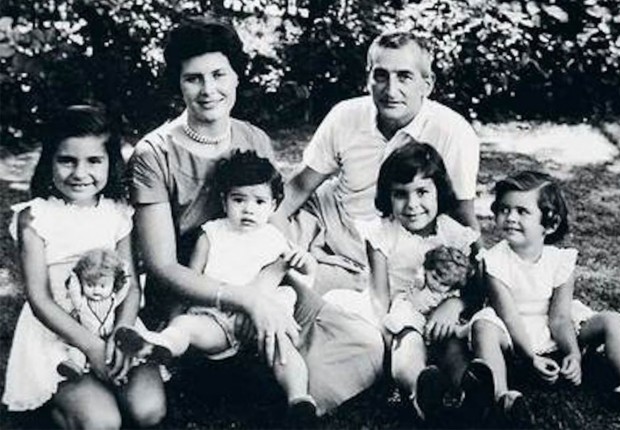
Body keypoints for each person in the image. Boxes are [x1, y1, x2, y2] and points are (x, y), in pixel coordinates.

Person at [127, 17, 383, 415]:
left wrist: (278, 277)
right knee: (219, 360)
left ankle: (290, 391)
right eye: (193, 78)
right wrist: (246, 299)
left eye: (219, 74)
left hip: (262, 277)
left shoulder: (253, 138)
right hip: (196, 294)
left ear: (236, 76)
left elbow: (271, 225)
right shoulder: (154, 153)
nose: (209, 90)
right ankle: (230, 369)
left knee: (362, 343)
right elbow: (162, 267)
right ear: (177, 83)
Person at [273, 30, 480, 295]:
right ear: (368, 79)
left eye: (404, 76)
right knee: (259, 246)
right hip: (328, 224)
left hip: (393, 251)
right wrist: (280, 240)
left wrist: (475, 290)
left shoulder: (453, 132)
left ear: (427, 84)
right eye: (381, 76)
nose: (391, 90)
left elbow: (462, 215)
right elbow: (299, 187)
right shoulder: (346, 115)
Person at [118, 150, 318, 423]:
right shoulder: (211, 234)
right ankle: (161, 345)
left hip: (262, 322)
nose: (248, 209)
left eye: (259, 202)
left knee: (284, 351)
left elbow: (302, 275)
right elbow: (191, 280)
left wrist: (305, 262)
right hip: (216, 318)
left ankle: (299, 399)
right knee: (186, 327)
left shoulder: (274, 238)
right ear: (224, 201)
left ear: (273, 206)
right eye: (239, 200)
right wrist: (176, 317)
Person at [1, 105, 166, 429]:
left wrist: (122, 334)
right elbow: (39, 299)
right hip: (58, 334)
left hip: (112, 323)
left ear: (110, 162)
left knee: (149, 411)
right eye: (67, 160)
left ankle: (108, 383)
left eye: (93, 160)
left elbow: (131, 285)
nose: (80, 173)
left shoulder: (117, 212)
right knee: (102, 423)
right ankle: (65, 405)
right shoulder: (34, 218)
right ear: (49, 161)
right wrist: (92, 348)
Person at [469, 170, 620, 425]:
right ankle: (501, 397)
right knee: (483, 327)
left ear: (549, 224)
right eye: (504, 209)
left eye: (522, 211)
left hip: (551, 326)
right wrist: (531, 358)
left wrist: (573, 353)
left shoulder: (559, 260)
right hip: (511, 330)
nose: (510, 217)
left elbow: (560, 317)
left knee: (612, 320)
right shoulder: (494, 260)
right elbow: (509, 316)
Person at [361, 141, 493, 425]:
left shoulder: (455, 233)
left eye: (422, 192)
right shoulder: (382, 235)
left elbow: (477, 289)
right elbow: (379, 295)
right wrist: (387, 334)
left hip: (444, 313)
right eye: (400, 194)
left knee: (454, 348)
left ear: (439, 191)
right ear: (387, 195)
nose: (412, 205)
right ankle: (420, 392)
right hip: (404, 309)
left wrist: (454, 305)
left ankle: (471, 393)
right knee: (407, 343)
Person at [57, 248, 141, 380]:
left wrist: (124, 271)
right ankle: (75, 367)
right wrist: (74, 277)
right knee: (76, 352)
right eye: (90, 285)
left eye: (102, 286)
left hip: (109, 334)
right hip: (86, 336)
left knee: (115, 353)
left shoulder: (113, 300)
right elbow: (74, 290)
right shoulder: (82, 303)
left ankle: (119, 375)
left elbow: (124, 290)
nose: (96, 291)